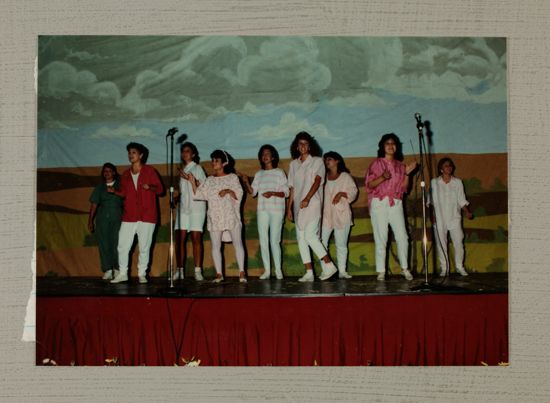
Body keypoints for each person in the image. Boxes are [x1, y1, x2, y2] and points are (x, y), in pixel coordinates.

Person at [189, 150, 247, 283]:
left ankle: (242, 272)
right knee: (215, 246)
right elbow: (199, 195)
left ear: (224, 163)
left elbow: (239, 193)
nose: (213, 163)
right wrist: (193, 182)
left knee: (238, 243)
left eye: (216, 160)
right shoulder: (209, 180)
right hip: (215, 216)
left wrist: (227, 190)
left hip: (230, 215)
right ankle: (219, 274)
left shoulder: (232, 177)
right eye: (212, 160)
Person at [110, 143, 164, 284]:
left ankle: (142, 274)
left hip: (147, 215)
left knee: (144, 246)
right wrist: (114, 192)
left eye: (133, 152)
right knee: (122, 245)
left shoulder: (150, 171)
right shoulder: (125, 174)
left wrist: (149, 187)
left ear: (141, 155)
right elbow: (123, 193)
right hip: (129, 215)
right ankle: (123, 273)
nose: (130, 155)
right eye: (129, 152)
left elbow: (160, 190)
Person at [287, 131, 338, 282]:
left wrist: (308, 198)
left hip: (312, 202)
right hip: (298, 206)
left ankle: (329, 265)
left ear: (310, 146)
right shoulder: (293, 165)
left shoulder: (317, 161)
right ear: (296, 147)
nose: (302, 146)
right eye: (300, 143)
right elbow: (292, 188)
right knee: (301, 239)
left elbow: (317, 180)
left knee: (310, 236)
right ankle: (309, 272)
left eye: (305, 143)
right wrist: (289, 208)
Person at [365, 133, 417, 281]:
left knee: (403, 236)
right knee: (381, 237)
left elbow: (405, 188)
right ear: (382, 146)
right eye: (387, 143)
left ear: (396, 147)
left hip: (396, 203)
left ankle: (404, 268)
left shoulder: (401, 166)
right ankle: (381, 271)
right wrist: (382, 177)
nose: (390, 145)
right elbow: (369, 185)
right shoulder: (376, 164)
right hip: (379, 202)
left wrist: (407, 174)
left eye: (393, 143)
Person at [242, 144, 289, 280]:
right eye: (263, 154)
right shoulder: (259, 174)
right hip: (262, 210)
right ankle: (267, 271)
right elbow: (253, 192)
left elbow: (286, 192)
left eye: (268, 153)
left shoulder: (279, 172)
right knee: (263, 241)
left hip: (276, 211)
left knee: (274, 241)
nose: (265, 156)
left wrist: (273, 193)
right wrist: (246, 182)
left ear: (273, 156)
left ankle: (278, 271)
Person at [429, 157, 473, 277]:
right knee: (441, 244)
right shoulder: (434, 182)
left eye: (450, 165)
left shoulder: (457, 182)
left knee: (458, 242)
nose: (449, 167)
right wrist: (431, 216)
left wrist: (467, 212)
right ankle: (444, 268)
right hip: (439, 218)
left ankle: (460, 267)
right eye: (446, 166)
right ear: (441, 169)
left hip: (454, 217)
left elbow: (461, 199)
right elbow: (430, 201)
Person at [320, 151, 358, 279]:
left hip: (341, 214)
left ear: (337, 161)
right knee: (321, 243)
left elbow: (353, 192)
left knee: (341, 244)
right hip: (325, 214)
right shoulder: (322, 177)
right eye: (325, 160)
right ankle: (326, 270)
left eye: (329, 159)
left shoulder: (345, 176)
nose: (327, 162)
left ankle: (342, 271)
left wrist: (342, 193)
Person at [173, 142, 207, 281]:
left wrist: (188, 178)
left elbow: (203, 187)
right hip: (183, 208)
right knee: (179, 239)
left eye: (188, 151)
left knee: (196, 238)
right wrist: (178, 197)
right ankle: (179, 270)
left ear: (193, 154)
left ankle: (197, 270)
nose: (184, 153)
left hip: (197, 208)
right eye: (183, 151)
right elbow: (184, 191)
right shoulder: (182, 170)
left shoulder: (198, 168)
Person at [87, 163, 123, 280]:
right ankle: (107, 269)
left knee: (117, 243)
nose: (107, 173)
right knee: (103, 243)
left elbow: (127, 200)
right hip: (102, 219)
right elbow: (94, 204)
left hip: (117, 218)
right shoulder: (99, 187)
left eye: (109, 171)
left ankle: (117, 269)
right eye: (105, 171)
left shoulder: (121, 185)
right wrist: (90, 220)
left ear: (114, 172)